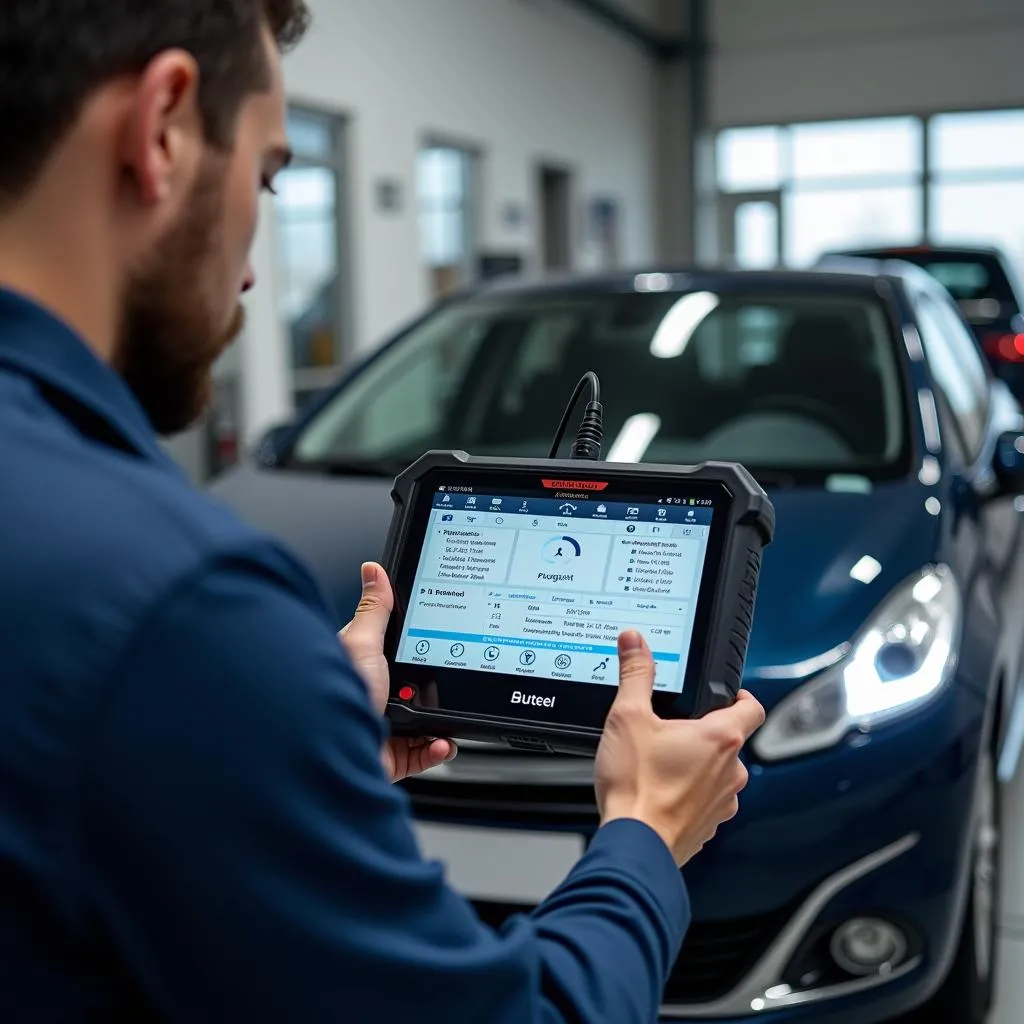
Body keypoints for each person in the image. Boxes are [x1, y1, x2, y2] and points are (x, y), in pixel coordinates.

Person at [0, 2, 766, 1021]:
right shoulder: (176, 608)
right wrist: (643, 834)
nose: (253, 266)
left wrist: (287, 760)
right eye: (269, 176)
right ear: (165, 126)